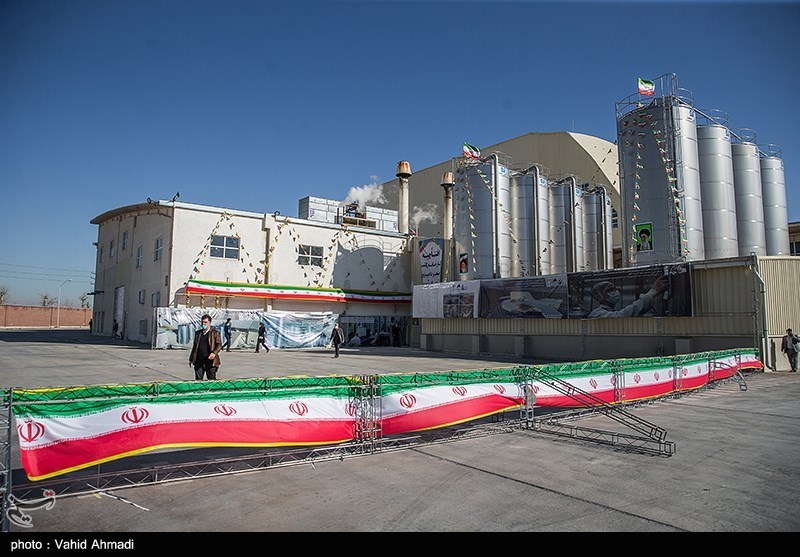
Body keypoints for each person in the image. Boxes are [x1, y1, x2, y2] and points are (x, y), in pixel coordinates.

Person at [587, 276, 669, 319]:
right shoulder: (597, 314)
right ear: (601, 295)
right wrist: (652, 292)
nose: (616, 291)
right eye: (611, 290)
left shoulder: (612, 310)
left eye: (615, 289)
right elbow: (621, 317)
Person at [189, 314, 222, 381]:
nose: (203, 324)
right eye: (202, 322)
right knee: (198, 380)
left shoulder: (215, 333)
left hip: (210, 361)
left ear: (209, 323)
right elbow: (195, 347)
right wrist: (191, 359)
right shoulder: (198, 333)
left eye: (205, 322)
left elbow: (219, 345)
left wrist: (214, 353)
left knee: (211, 379)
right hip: (199, 361)